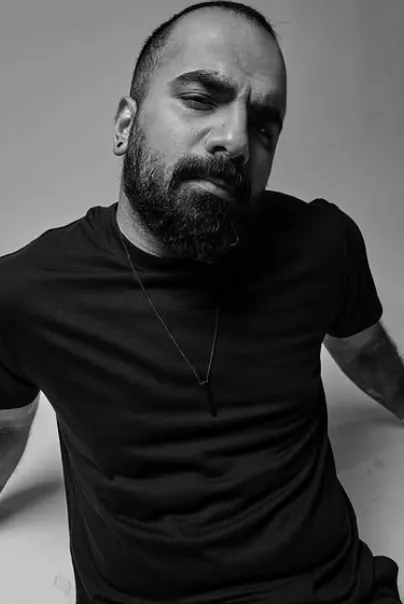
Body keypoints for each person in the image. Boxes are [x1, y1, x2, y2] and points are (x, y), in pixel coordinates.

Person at [0, 1, 403, 603]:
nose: (236, 140)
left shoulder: (322, 245)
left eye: (263, 126)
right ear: (124, 124)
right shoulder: (28, 293)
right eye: (199, 98)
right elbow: (7, 427)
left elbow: (367, 353)